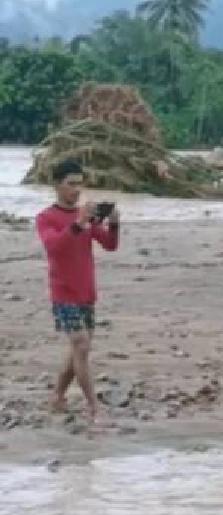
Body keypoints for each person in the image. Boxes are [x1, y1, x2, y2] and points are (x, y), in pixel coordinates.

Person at [35, 159, 120, 427]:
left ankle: (57, 396)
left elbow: (110, 245)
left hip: (86, 290)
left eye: (79, 184)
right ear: (57, 185)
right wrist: (78, 223)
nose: (76, 189)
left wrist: (114, 224)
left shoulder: (85, 215)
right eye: (71, 184)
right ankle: (94, 408)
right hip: (63, 292)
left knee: (78, 351)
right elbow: (54, 247)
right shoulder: (46, 217)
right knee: (81, 345)